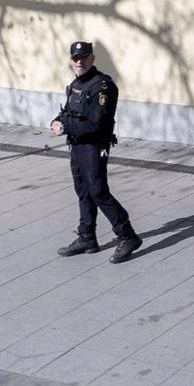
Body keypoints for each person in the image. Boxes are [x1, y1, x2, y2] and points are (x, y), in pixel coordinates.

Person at [50, 41, 142, 264]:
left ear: (92, 59)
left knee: (99, 191)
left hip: (94, 146)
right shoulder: (76, 84)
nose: (79, 62)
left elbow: (96, 124)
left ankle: (127, 235)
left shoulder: (103, 86)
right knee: (83, 190)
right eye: (75, 58)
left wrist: (65, 128)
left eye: (83, 58)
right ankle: (87, 237)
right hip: (77, 145)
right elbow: (70, 113)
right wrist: (57, 120)